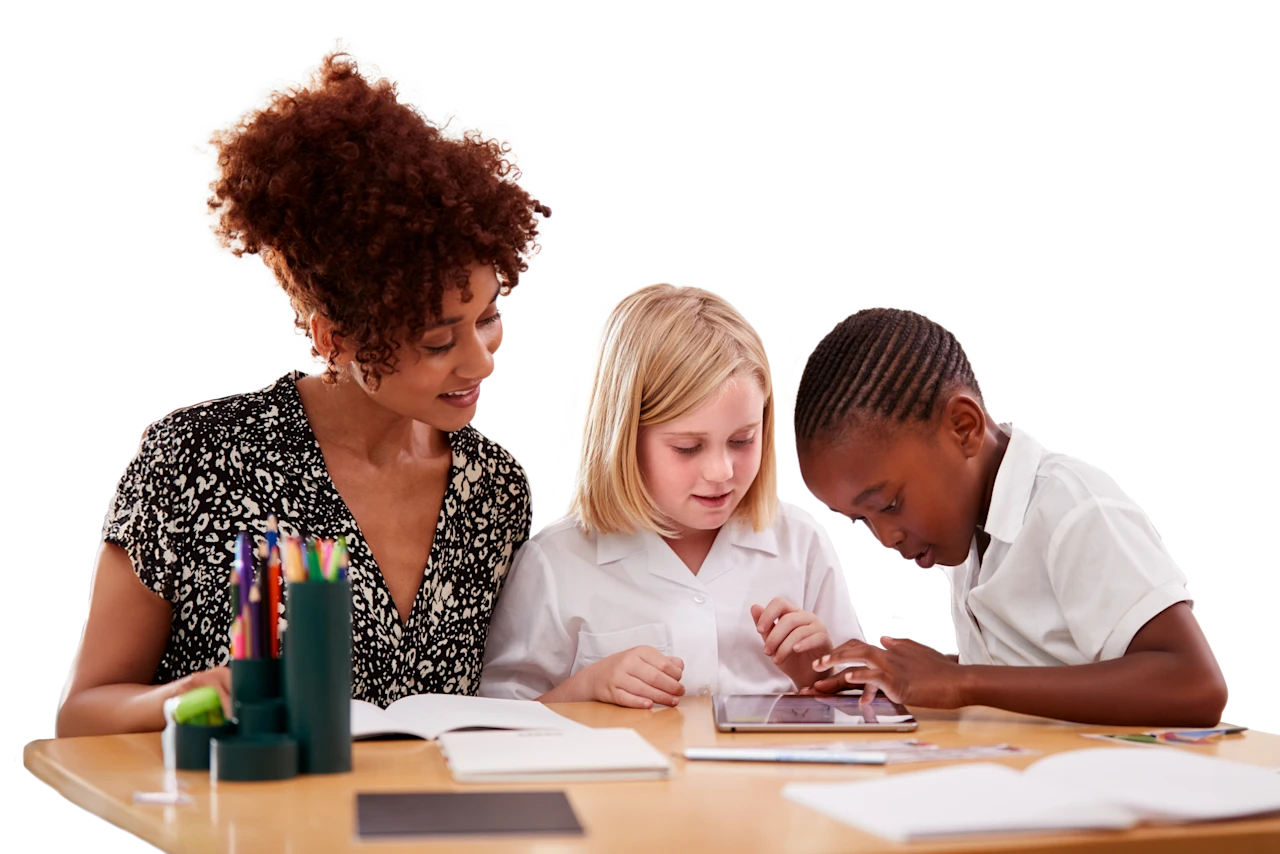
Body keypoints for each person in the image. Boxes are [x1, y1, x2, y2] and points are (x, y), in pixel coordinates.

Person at [56, 40, 551, 737]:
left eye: (489, 317)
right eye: (437, 341)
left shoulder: (492, 487)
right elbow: (83, 719)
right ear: (331, 339)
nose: (479, 362)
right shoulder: (192, 462)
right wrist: (189, 697)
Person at [790, 305, 1228, 726]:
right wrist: (907, 677)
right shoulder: (972, 529)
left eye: (888, 504)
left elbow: (1193, 685)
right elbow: (1042, 667)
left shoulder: (1071, 510)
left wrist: (963, 682)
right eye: (863, 521)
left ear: (963, 428)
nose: (886, 536)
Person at [478, 283, 865, 708]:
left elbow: (860, 703)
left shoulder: (800, 543)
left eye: (742, 440)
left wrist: (817, 673)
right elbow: (501, 721)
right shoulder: (555, 565)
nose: (721, 472)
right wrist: (585, 689)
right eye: (687, 447)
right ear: (625, 437)